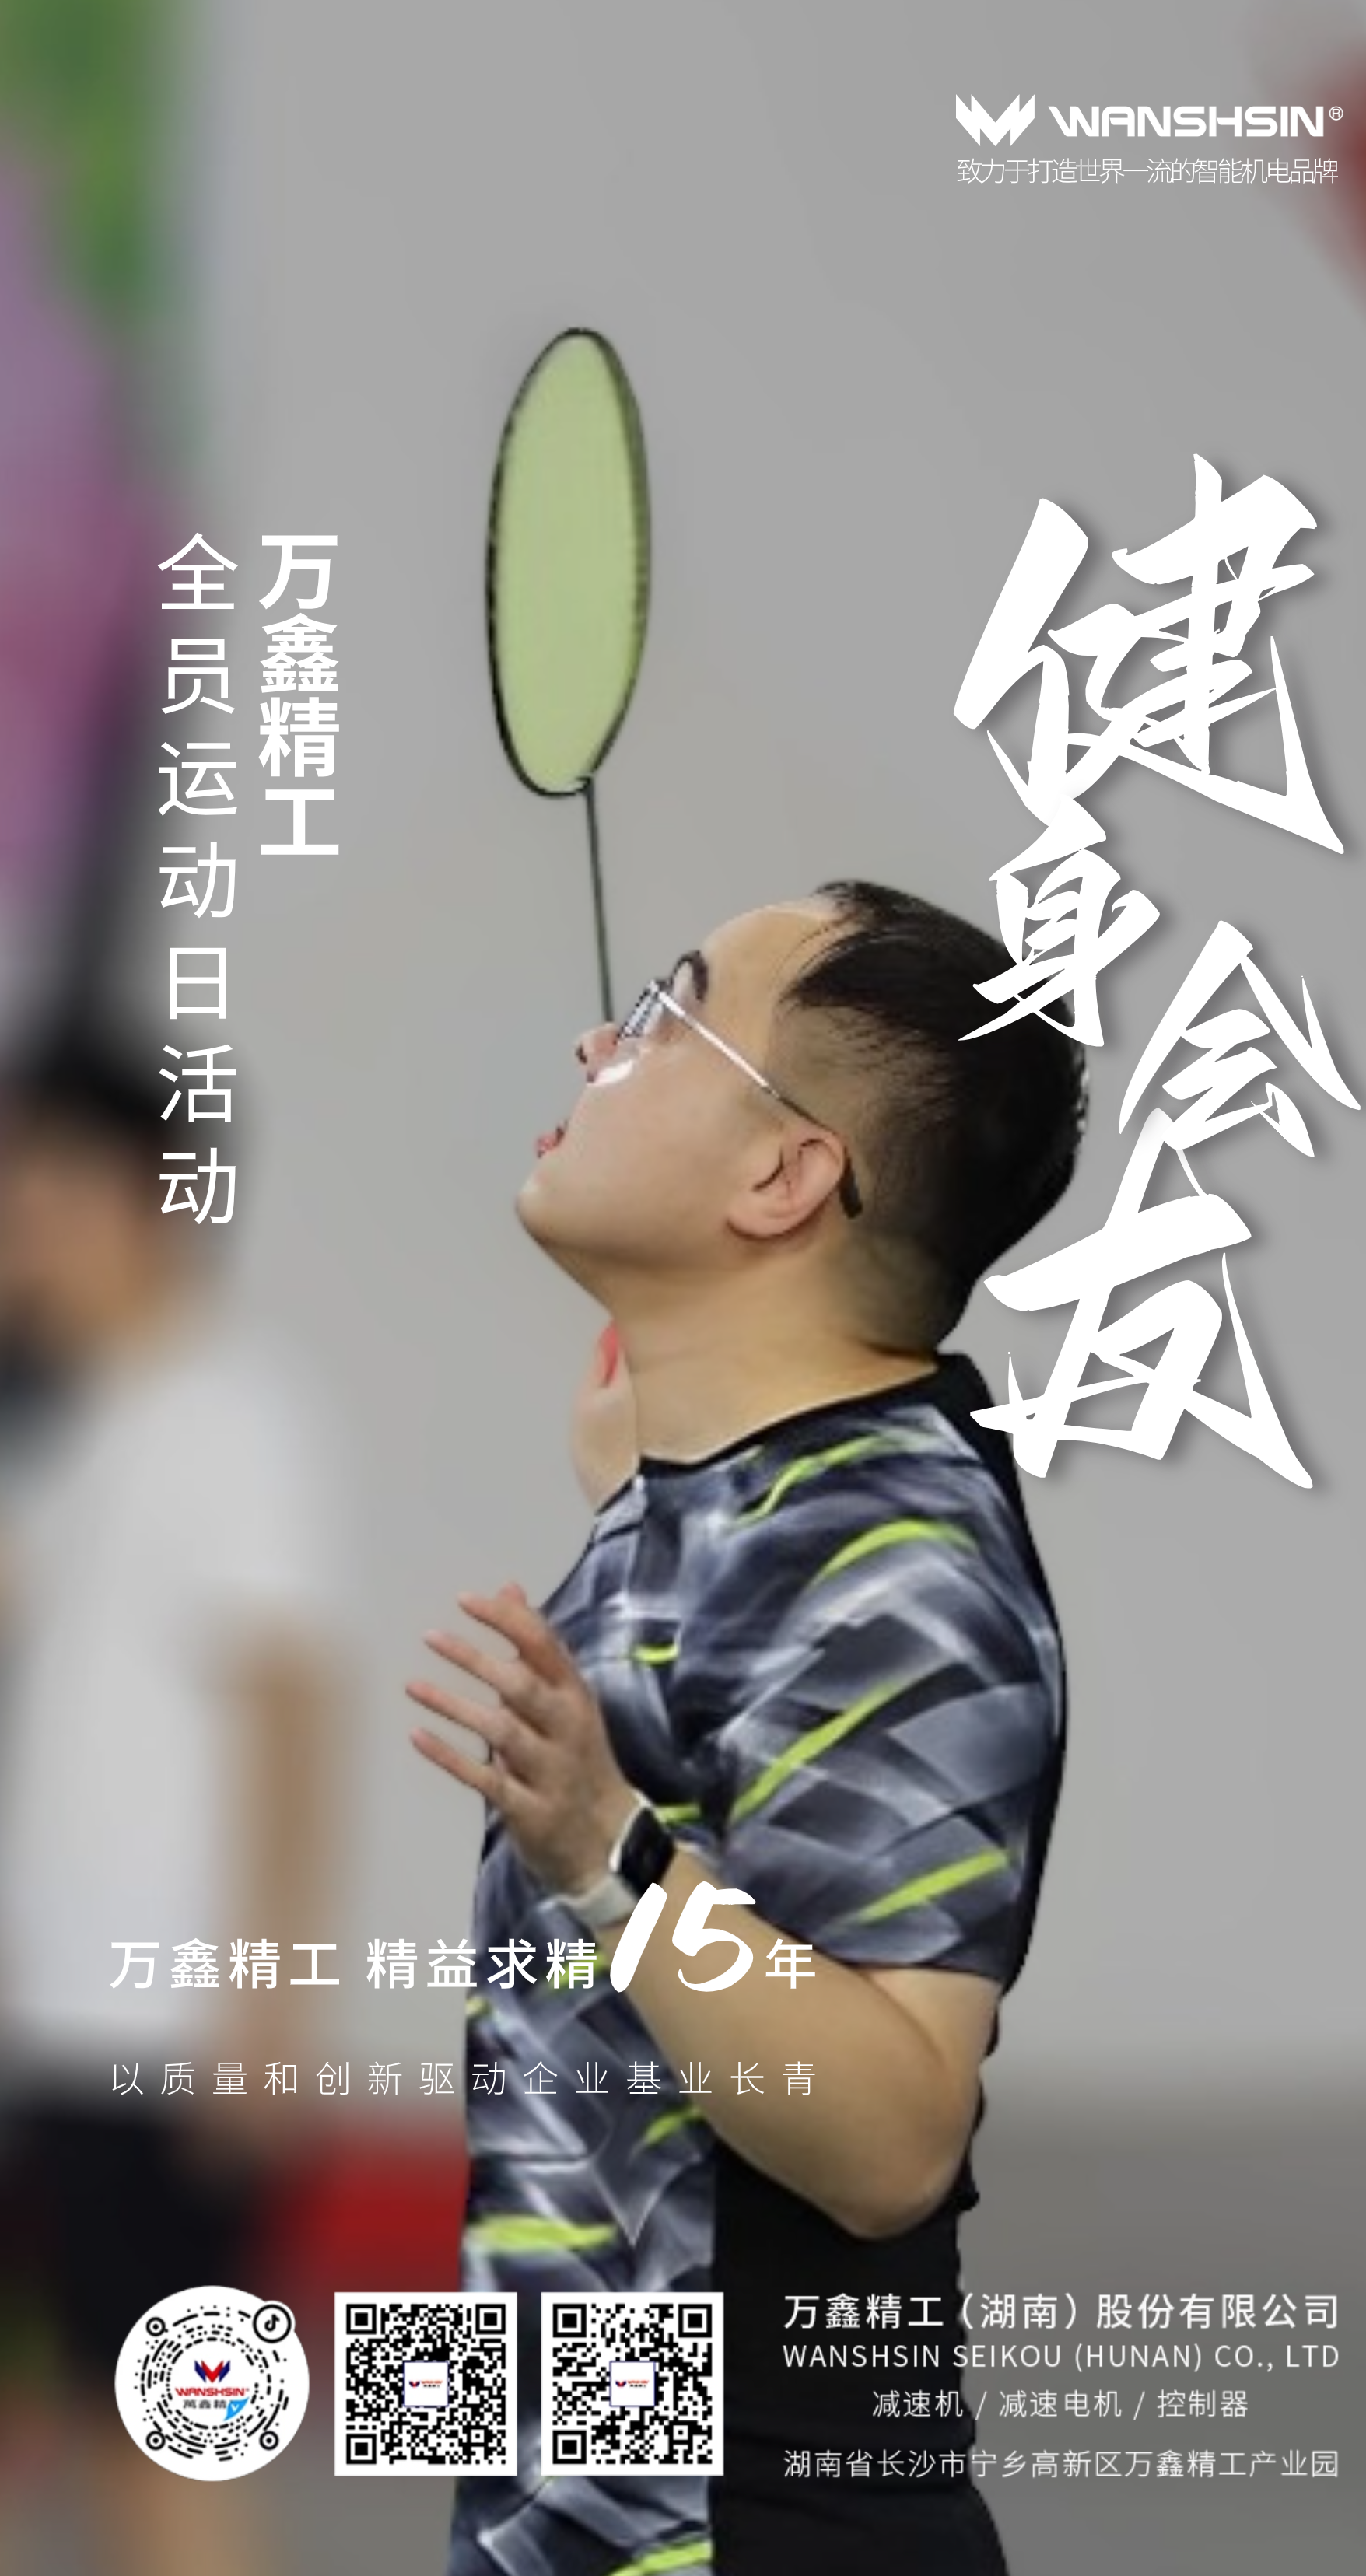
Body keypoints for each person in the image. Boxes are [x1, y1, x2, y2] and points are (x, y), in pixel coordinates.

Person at [408, 880, 1085, 2576]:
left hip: (756, 2529)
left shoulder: (896, 1563)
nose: (595, 1041)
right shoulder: (738, 1508)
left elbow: (893, 2136)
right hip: (585, 2513)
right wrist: (646, 1518)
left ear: (786, 1177)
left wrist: (609, 1859)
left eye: (666, 1015)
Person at [0, 1035, 342, 2576]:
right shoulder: (75, 1437)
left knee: (171, 2441)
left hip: (158, 2034)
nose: (19, 1230)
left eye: (39, 1192)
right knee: (78, 2422)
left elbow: (287, 1717)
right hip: (51, 2026)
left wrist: (264, 2009)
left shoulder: (230, 1420)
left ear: (139, 1198)